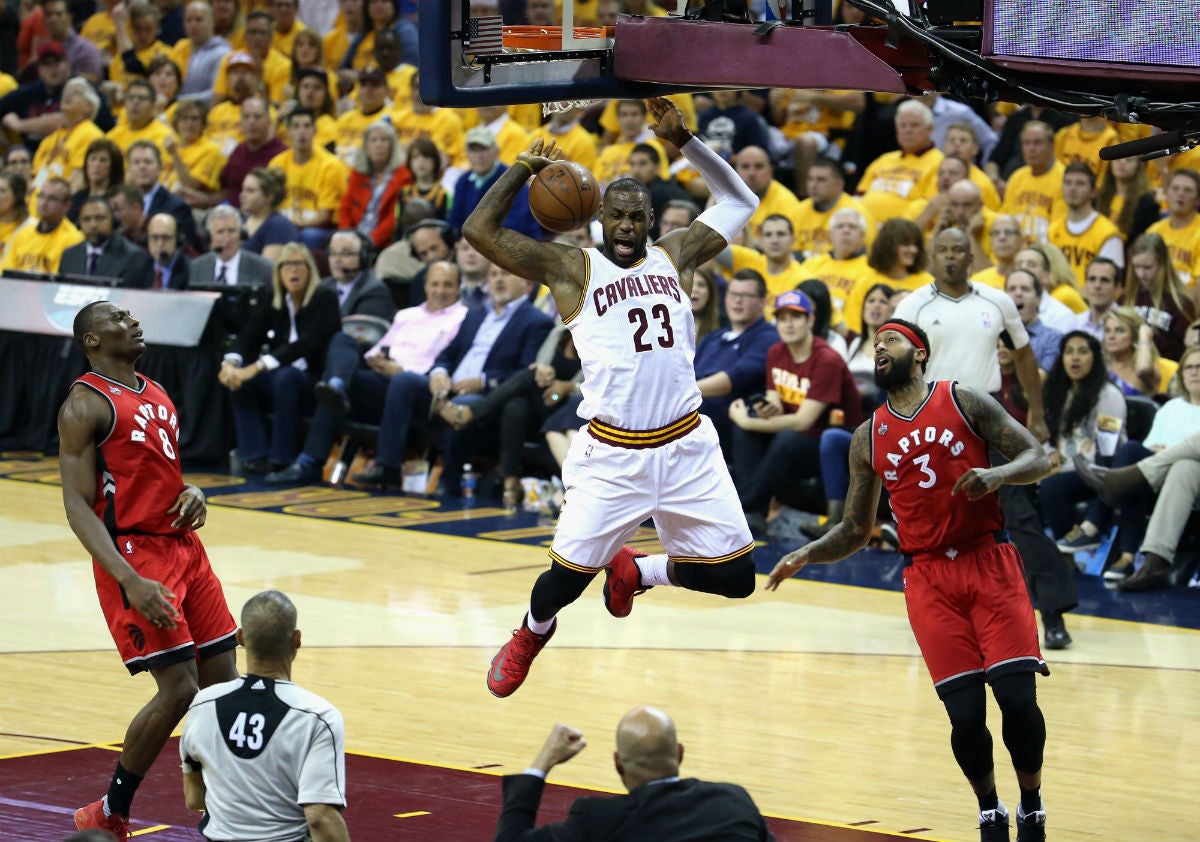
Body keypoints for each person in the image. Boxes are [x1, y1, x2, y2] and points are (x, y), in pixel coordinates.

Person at [464, 98, 761, 698]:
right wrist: (520, 168)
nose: (626, 227)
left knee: (737, 579)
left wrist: (687, 142)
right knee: (560, 585)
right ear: (599, 216)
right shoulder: (569, 267)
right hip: (614, 454)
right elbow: (479, 231)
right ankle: (530, 633)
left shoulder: (675, 255)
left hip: (686, 447)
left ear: (650, 218)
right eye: (616, 217)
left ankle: (641, 570)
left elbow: (740, 201)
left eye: (636, 217)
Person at [766, 317, 1054, 842]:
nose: (880, 348)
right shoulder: (867, 436)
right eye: (875, 343)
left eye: (891, 341)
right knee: (966, 715)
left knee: (1017, 699)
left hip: (989, 562)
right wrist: (807, 551)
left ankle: (1031, 803)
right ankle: (989, 809)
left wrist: (996, 475)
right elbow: (856, 529)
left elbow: (1039, 456)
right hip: (928, 579)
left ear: (919, 354)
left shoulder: (963, 400)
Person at [60, 301, 239, 842]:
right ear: (92, 340)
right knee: (179, 686)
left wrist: (195, 492)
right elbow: (76, 505)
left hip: (185, 547)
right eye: (118, 318)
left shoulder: (155, 390)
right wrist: (130, 579)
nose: (132, 322)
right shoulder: (84, 404)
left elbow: (161, 476)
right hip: (135, 555)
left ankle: (223, 806)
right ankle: (111, 810)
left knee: (222, 685)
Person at [266, 260, 468, 486]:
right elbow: (378, 348)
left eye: (448, 285)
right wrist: (376, 360)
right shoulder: (407, 315)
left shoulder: (463, 318)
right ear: (425, 286)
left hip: (421, 387)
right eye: (435, 284)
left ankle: (387, 466)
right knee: (342, 343)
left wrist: (400, 370)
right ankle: (312, 454)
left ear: (459, 288)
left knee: (402, 380)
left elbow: (449, 362)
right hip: (382, 381)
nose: (440, 291)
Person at [179, 590, 349, 842]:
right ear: (297, 639)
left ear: (241, 638)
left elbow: (194, 799)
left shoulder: (203, 705)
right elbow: (320, 818)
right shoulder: (317, 716)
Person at [495, 707, 775, 842]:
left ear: (619, 764)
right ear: (679, 753)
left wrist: (541, 764)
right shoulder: (733, 801)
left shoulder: (598, 821)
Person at [730, 289, 861, 538]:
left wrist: (748, 419)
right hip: (792, 438)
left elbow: (803, 422)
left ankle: (741, 508)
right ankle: (755, 514)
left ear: (810, 320)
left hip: (829, 443)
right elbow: (775, 401)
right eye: (782, 318)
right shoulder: (776, 352)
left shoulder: (827, 359)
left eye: (795, 317)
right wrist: (762, 411)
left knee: (781, 437)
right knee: (744, 431)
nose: (788, 324)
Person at [219, 243, 341, 474]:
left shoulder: (324, 298)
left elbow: (305, 344)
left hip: (314, 382)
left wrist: (257, 367)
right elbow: (249, 334)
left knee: (286, 376)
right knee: (237, 380)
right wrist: (231, 363)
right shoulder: (274, 298)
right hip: (279, 377)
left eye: (298, 264)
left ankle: (281, 458)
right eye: (286, 265)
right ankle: (253, 455)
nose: (292, 270)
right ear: (278, 272)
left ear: (310, 269)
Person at [1075, 429, 1200, 591]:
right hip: (1171, 467)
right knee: (1184, 467)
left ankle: (1122, 480)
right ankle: (1155, 563)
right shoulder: (1173, 406)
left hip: (1165, 464)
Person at [1047, 163, 1124, 288]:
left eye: (1080, 184)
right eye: (1068, 183)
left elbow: (1111, 282)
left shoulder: (1108, 233)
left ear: (1093, 192)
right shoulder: (1052, 230)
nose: (1072, 189)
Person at [1124, 232, 1197, 361]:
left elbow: (1184, 353)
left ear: (1162, 264)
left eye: (1147, 268)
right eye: (1137, 267)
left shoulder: (1180, 304)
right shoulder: (1125, 299)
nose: (1141, 274)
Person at [338, 120, 410, 249]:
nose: (379, 145)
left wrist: (371, 241)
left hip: (383, 242)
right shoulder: (357, 173)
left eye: (384, 140)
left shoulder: (403, 176)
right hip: (352, 236)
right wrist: (345, 235)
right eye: (374, 140)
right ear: (366, 146)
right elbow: (346, 208)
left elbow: (394, 218)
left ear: (392, 146)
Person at [59, 196, 155, 286]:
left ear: (113, 221)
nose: (93, 225)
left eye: (100, 218)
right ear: (79, 223)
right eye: (86, 219)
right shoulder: (69, 255)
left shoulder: (135, 258)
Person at [0, 176, 83, 273]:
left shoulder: (74, 239)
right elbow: (6, 274)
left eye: (52, 199)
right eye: (41, 196)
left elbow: (60, 281)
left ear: (66, 205)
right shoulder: (22, 234)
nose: (43, 203)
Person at [190, 203, 274, 289]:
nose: (227, 239)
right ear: (209, 237)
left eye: (231, 231)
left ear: (241, 235)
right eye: (220, 232)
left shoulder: (264, 269)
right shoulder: (195, 269)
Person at [1004, 269, 1063, 375]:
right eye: (1012, 289)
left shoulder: (1054, 339)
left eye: (1025, 289)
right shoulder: (995, 336)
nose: (1018, 293)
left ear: (1039, 299)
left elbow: (1042, 379)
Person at [241, 166, 300, 263]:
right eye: (243, 189)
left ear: (269, 196)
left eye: (250, 191)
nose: (242, 195)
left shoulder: (280, 226)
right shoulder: (241, 220)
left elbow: (267, 270)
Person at [68, 138, 124, 225]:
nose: (96, 165)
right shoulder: (78, 198)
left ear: (113, 167)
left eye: (103, 160)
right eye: (93, 159)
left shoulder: (116, 199)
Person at [1068, 257, 1123, 342]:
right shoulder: (1075, 323)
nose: (1097, 286)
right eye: (1092, 279)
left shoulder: (1125, 324)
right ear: (1085, 286)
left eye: (1104, 280)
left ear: (1117, 288)